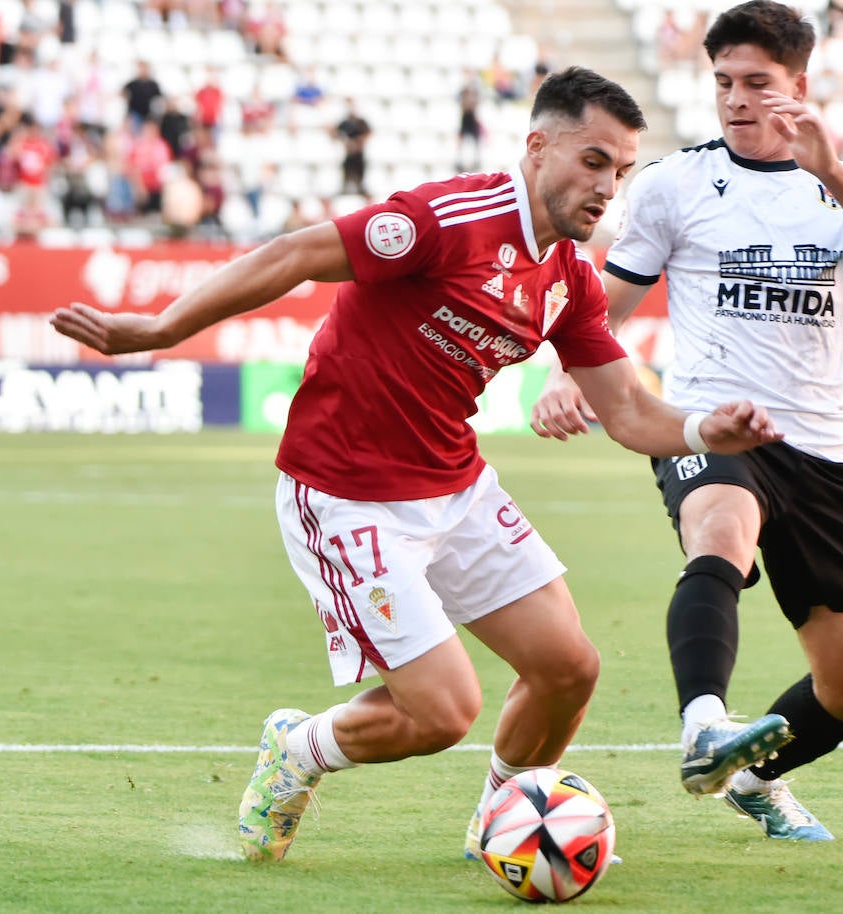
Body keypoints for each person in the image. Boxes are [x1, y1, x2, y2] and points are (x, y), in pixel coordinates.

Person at [50, 66, 783, 864]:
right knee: (441, 712)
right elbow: (297, 253)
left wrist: (708, 429)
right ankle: (297, 751)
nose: (610, 187)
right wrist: (159, 330)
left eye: (623, 171)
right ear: (537, 148)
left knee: (568, 668)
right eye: (595, 161)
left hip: (455, 486)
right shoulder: (450, 219)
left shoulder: (569, 280)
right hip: (347, 493)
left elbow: (632, 413)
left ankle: (502, 821)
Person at [531, 1, 843, 841]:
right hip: (709, 424)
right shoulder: (676, 183)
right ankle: (704, 721)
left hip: (817, 448)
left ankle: (751, 777)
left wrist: (832, 169)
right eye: (723, 83)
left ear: (800, 87)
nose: (737, 100)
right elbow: (605, 305)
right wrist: (571, 372)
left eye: (756, 83)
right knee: (721, 530)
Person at [333, 98, 371, 197]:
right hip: (349, 151)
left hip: (358, 151)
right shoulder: (345, 122)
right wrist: (347, 142)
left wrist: (359, 142)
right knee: (347, 168)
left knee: (360, 168)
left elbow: (368, 133)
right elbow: (336, 133)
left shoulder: (361, 121)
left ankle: (360, 186)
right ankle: (346, 186)